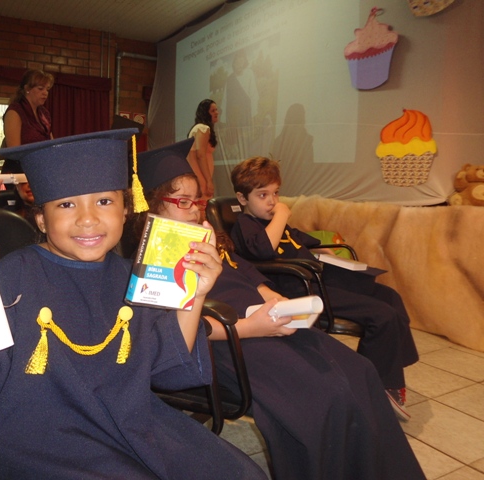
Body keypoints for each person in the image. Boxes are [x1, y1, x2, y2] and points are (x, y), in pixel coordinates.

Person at [0, 129, 267, 479]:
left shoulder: (134, 277)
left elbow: (168, 369)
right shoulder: (13, 277)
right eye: (66, 204)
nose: (87, 219)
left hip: (136, 428)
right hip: (47, 447)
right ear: (41, 218)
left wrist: (195, 294)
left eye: (104, 202)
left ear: (126, 210)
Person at [131, 139, 425, 480]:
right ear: (151, 205)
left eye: (197, 201)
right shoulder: (152, 259)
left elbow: (244, 269)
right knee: (322, 397)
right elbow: (174, 332)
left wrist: (272, 296)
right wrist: (250, 327)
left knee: (360, 371)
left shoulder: (204, 234)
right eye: (183, 202)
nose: (196, 211)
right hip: (229, 340)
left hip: (265, 319)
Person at [229, 156, 419, 421]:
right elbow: (264, 249)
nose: (272, 201)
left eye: (275, 193)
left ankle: (391, 365)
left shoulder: (275, 223)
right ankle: (377, 386)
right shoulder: (245, 225)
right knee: (381, 315)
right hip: (302, 289)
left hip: (322, 278)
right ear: (242, 198)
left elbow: (300, 239)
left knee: (390, 296)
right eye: (263, 195)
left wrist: (322, 250)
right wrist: (282, 214)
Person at [0, 69, 54, 174]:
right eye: (40, 89)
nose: (45, 93)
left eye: (47, 89)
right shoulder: (14, 112)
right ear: (27, 89)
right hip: (18, 172)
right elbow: (14, 152)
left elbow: (52, 144)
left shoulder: (44, 113)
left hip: (39, 170)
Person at [0, 166, 40, 233]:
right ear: (16, 186)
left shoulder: (46, 212)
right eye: (23, 181)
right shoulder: (7, 214)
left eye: (33, 181)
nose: (29, 185)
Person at [187, 99, 218, 201]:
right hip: (200, 177)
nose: (217, 113)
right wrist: (208, 181)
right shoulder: (202, 128)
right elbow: (200, 155)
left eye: (216, 110)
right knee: (201, 205)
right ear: (205, 113)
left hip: (200, 177)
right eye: (213, 111)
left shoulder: (201, 128)